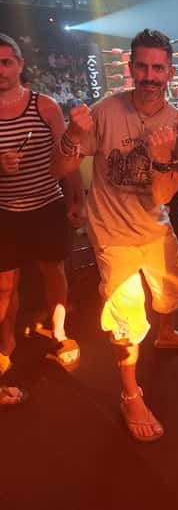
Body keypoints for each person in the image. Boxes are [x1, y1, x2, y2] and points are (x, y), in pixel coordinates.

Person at [51, 29, 178, 442]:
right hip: (112, 232)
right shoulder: (104, 111)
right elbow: (59, 169)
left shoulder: (176, 122)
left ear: (170, 72)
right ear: (131, 67)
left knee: (172, 290)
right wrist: (71, 134)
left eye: (158, 68)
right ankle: (130, 394)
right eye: (142, 66)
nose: (150, 76)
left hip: (154, 225)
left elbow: (165, 195)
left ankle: (167, 335)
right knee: (128, 318)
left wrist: (163, 156)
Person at [0, 34, 83, 408]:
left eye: (6, 62)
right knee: (5, 285)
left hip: (47, 204)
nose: (1, 70)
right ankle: (6, 343)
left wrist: (77, 199)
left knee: (54, 272)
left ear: (19, 64)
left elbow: (68, 154)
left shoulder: (43, 105)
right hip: (5, 210)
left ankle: (60, 332)